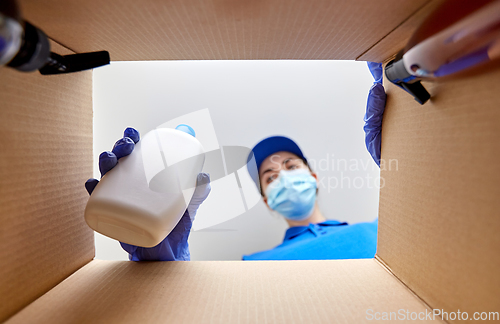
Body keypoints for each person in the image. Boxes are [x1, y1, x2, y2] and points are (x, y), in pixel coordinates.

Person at [85, 62, 386, 261]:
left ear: (315, 178)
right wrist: (161, 264)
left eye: (292, 167)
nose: (282, 176)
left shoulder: (380, 231)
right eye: (270, 176)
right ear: (267, 201)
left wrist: (399, 171)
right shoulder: (254, 266)